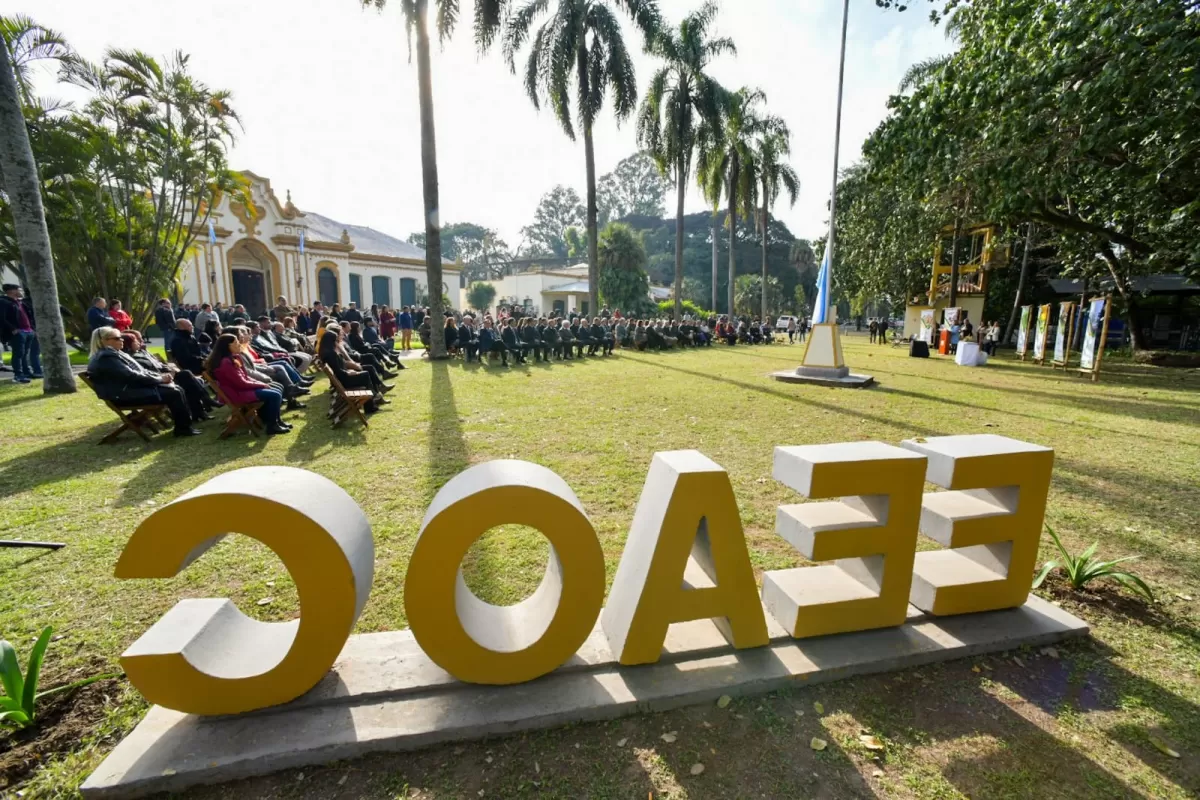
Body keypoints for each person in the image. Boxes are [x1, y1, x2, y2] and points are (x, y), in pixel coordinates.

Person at [88, 327, 200, 437]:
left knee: (176, 389)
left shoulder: (115, 354)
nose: (121, 340)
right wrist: (160, 379)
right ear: (103, 341)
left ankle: (185, 425)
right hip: (124, 396)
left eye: (121, 337)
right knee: (174, 392)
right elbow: (131, 376)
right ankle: (183, 428)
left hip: (132, 390)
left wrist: (160, 377)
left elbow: (141, 371)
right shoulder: (106, 358)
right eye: (117, 338)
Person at [207, 333, 290, 434]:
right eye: (236, 343)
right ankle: (272, 426)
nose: (239, 345)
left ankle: (277, 421)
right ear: (227, 347)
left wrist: (259, 382)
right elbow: (241, 383)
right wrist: (262, 385)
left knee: (278, 386)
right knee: (275, 395)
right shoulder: (225, 363)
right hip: (237, 393)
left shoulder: (233, 358)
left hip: (242, 389)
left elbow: (245, 377)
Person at [122, 331, 215, 420]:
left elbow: (159, 365)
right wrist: (166, 374)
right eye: (137, 339)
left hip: (165, 376)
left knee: (187, 376)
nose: (140, 341)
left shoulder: (141, 352)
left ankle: (200, 411)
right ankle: (202, 406)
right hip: (158, 381)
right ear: (129, 344)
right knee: (187, 379)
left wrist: (170, 369)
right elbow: (147, 372)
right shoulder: (132, 358)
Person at [318, 330, 385, 412]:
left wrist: (350, 370)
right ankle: (370, 405)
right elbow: (339, 371)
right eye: (336, 340)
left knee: (366, 372)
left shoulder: (326, 352)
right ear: (331, 341)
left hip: (342, 378)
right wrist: (350, 372)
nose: (337, 341)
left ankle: (373, 399)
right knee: (366, 374)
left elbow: (339, 368)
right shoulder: (331, 354)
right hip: (344, 380)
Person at [1, 284, 40, 383]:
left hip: (28, 331)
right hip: (18, 332)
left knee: (24, 354)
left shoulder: (20, 302)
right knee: (18, 354)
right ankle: (18, 375)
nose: (21, 292)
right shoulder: (4, 302)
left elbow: (28, 316)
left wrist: (32, 329)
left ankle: (26, 372)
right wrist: (13, 329)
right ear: (12, 291)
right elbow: (2, 318)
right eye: (19, 290)